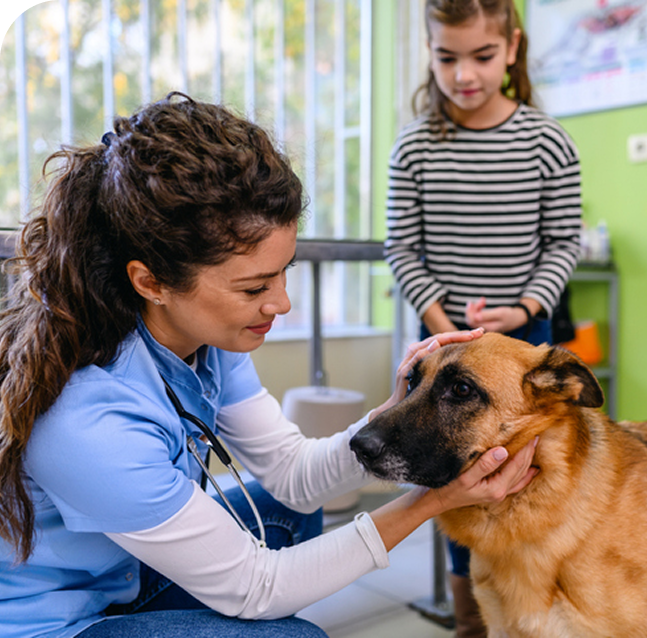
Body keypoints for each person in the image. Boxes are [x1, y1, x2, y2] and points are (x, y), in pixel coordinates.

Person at [0, 93, 540, 638]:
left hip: (120, 577)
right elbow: (259, 587)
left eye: (284, 272)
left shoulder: (207, 340)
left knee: (288, 510)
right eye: (255, 286)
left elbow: (293, 475)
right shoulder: (88, 421)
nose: (280, 303)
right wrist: (434, 500)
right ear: (151, 282)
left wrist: (395, 414)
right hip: (51, 623)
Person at [384, 1, 583, 635]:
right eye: (446, 57)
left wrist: (525, 307)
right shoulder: (414, 145)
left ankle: (547, 599)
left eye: (481, 56)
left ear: (513, 49)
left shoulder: (547, 141)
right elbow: (402, 250)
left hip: (527, 342)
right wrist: (442, 324)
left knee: (543, 476)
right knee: (451, 471)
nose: (463, 73)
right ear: (429, 52)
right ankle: (473, 618)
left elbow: (563, 243)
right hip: (442, 340)